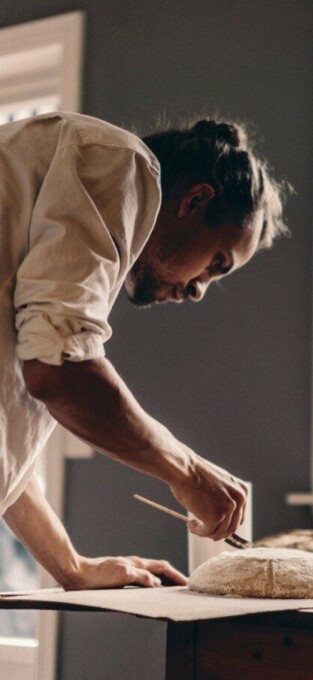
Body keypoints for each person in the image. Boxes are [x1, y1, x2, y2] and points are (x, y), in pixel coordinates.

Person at [0, 112, 287, 589]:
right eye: (216, 263)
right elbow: (58, 371)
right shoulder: (119, 163)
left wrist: (72, 567)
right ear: (195, 199)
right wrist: (188, 471)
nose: (198, 291)